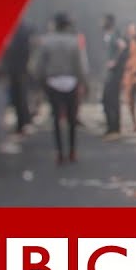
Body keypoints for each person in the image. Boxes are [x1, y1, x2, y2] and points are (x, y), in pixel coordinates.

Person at [31, 12, 88, 165]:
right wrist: (83, 82)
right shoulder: (74, 42)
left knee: (56, 119)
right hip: (71, 82)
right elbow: (81, 66)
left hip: (53, 83)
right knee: (71, 119)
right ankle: (72, 151)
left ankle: (59, 153)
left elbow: (37, 66)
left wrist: (38, 81)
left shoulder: (46, 41)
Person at [100, 14, 128, 140]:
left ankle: (114, 128)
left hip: (114, 74)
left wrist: (115, 62)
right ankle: (111, 127)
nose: (101, 23)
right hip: (108, 73)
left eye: (103, 21)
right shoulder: (107, 35)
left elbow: (123, 47)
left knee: (111, 99)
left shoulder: (115, 34)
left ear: (109, 22)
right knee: (107, 99)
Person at [3, 20, 34, 135]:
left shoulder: (17, 32)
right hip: (20, 69)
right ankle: (24, 121)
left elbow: (11, 51)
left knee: (19, 97)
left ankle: (22, 122)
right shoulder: (22, 31)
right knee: (21, 97)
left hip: (16, 69)